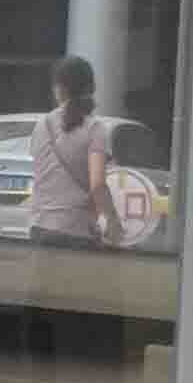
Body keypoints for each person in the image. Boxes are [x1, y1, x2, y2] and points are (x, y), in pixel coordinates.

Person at [26, 54, 118, 245]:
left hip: (40, 228)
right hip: (77, 231)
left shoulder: (42, 125)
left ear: (59, 89)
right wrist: (112, 219)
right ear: (91, 89)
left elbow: (40, 175)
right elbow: (97, 185)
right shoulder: (95, 129)